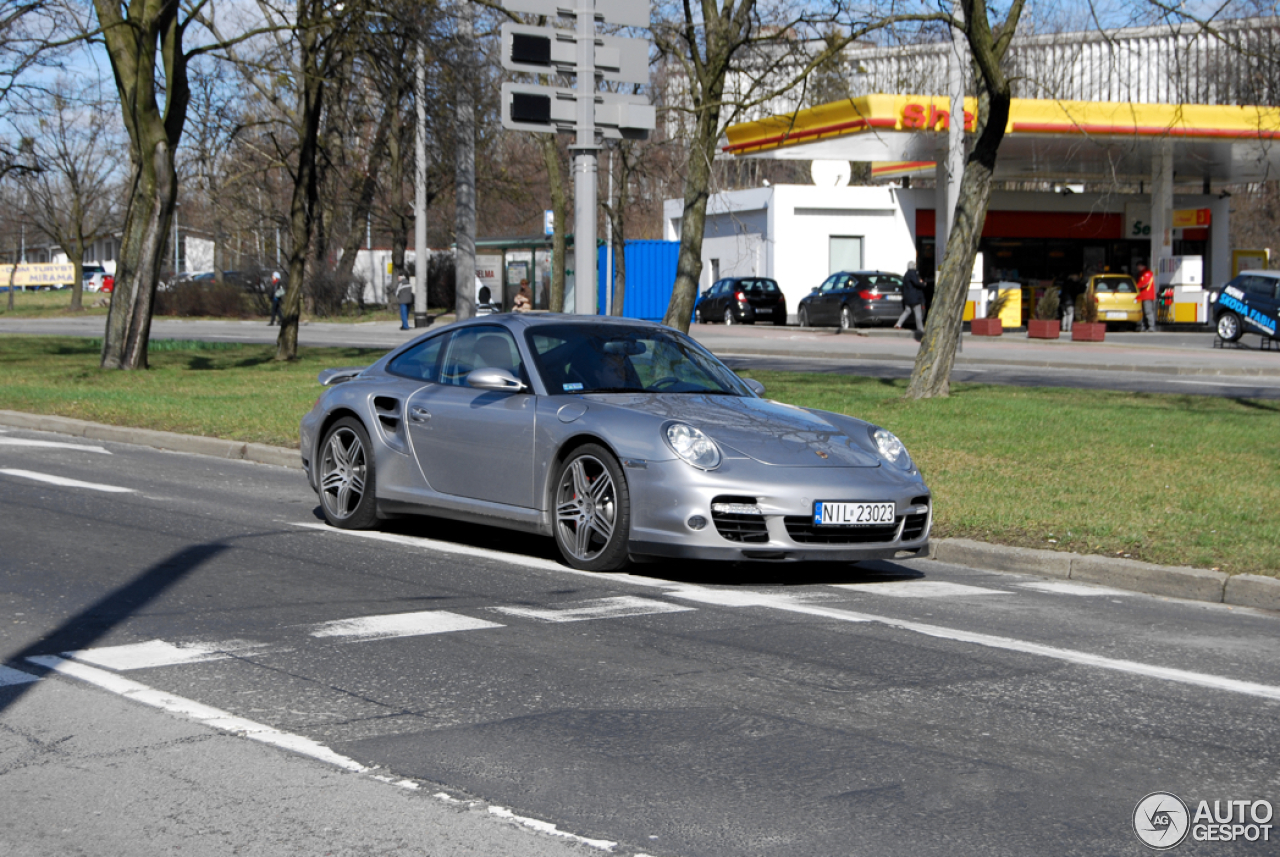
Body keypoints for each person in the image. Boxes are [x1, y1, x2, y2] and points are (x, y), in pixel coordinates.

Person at [894, 260, 926, 331]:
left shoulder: (906, 274)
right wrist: (923, 284)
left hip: (908, 297)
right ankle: (920, 329)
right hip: (914, 297)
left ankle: (898, 324)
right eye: (915, 265)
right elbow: (916, 283)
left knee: (907, 310)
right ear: (913, 266)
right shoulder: (912, 273)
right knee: (918, 314)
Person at [1136, 263, 1156, 332]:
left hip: (1147, 296)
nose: (1137, 268)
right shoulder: (1141, 273)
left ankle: (1151, 327)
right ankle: (1143, 326)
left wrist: (1136, 287)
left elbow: (1144, 283)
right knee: (1143, 312)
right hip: (1142, 296)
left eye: (1138, 266)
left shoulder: (1147, 273)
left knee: (1148, 311)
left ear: (1141, 266)